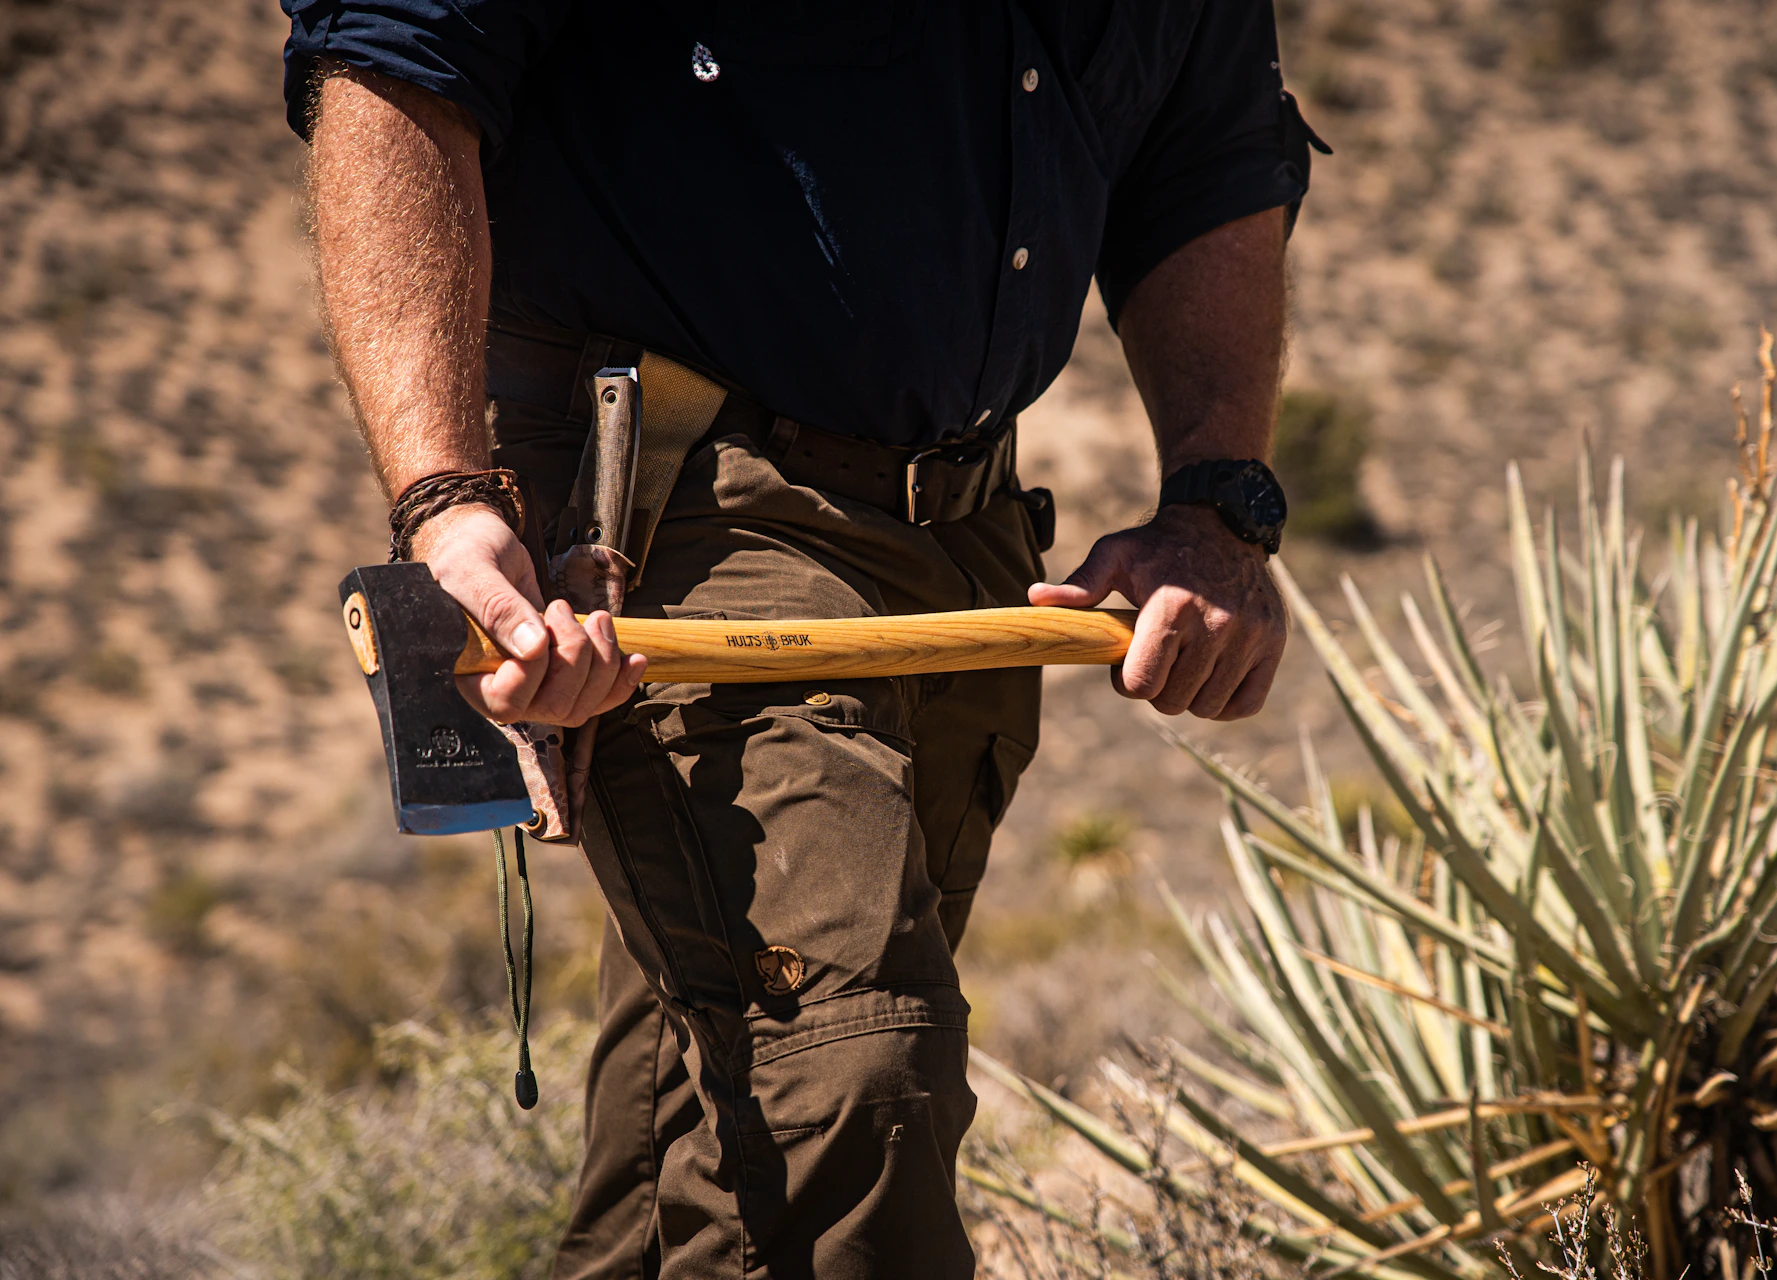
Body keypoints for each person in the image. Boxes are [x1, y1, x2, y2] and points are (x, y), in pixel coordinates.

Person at [282, 3, 1320, 1274]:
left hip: (970, 539)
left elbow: (1203, 150)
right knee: (848, 1085)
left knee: (707, 1128)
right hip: (684, 515)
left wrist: (1221, 503)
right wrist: (444, 496)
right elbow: (398, 48)